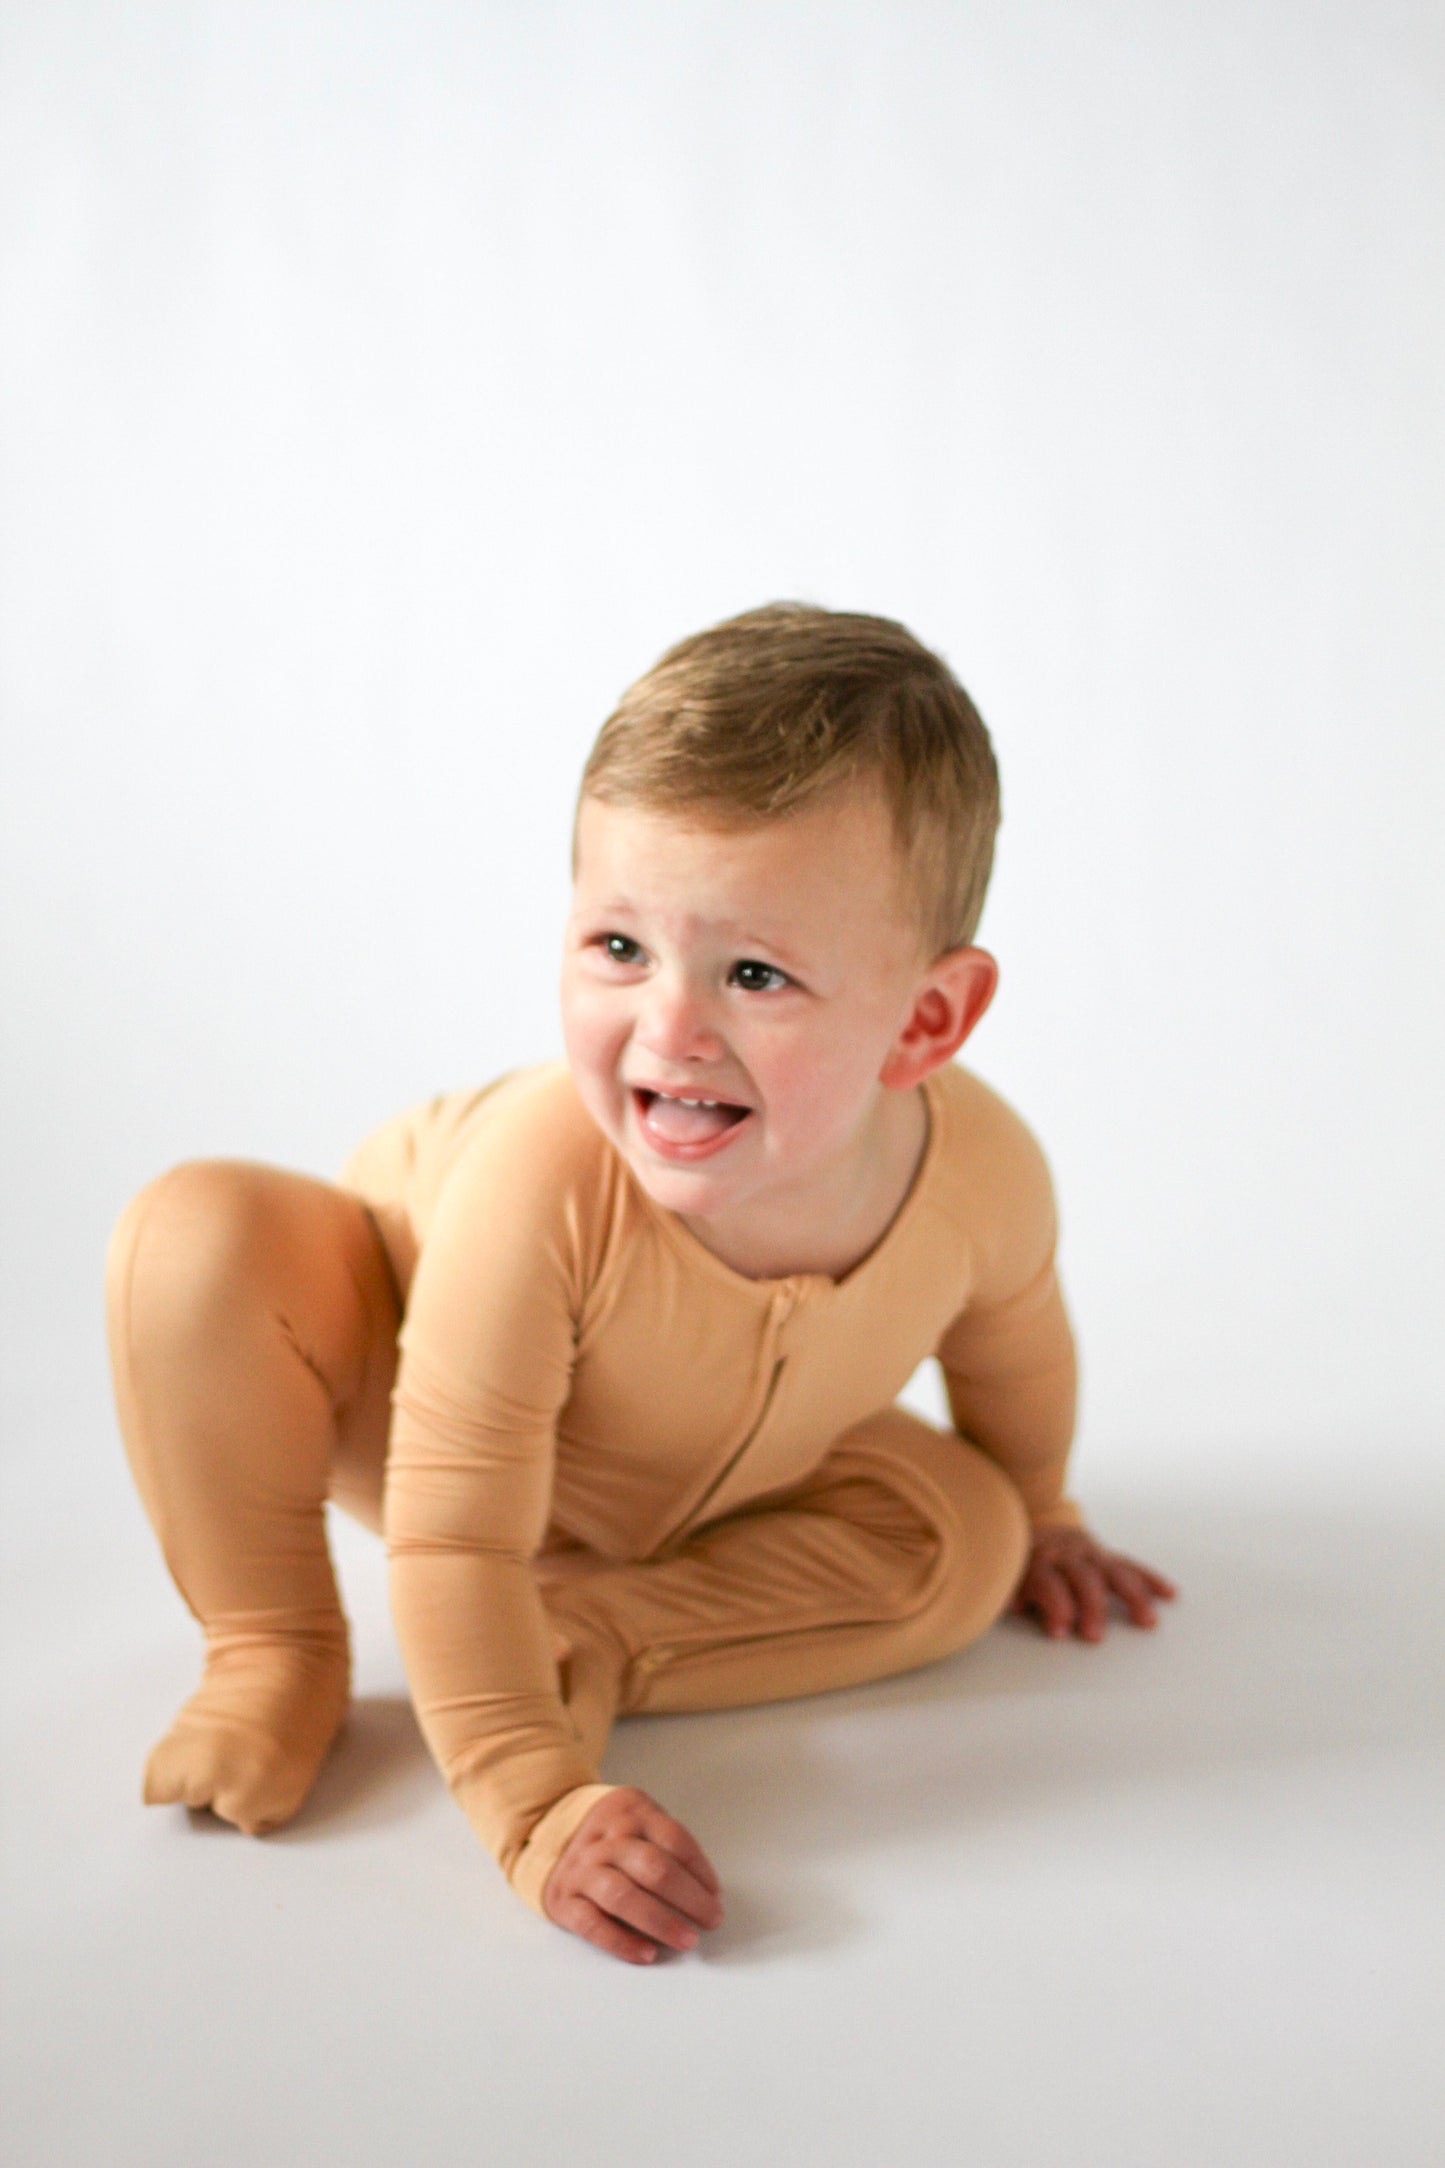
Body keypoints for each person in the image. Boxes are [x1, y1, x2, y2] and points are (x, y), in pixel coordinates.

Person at [104, 602, 1176, 1966]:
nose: (668, 1030)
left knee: (968, 1546)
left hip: (722, 1478)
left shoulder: (983, 1180)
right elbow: (451, 1533)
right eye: (619, 948)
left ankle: (581, 1637)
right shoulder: (540, 1184)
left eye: (754, 974)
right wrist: (532, 1803)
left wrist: (1047, 1513)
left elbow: (1016, 1355)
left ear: (925, 1020)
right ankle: (272, 1646)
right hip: (400, 1404)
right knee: (197, 1239)